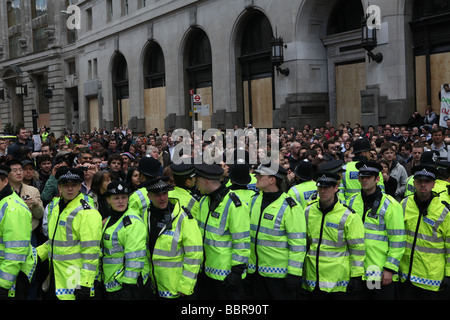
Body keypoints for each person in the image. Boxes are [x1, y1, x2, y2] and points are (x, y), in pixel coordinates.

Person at [36, 167, 103, 300]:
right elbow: (56, 240)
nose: (70, 189)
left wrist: (85, 283)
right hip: (56, 273)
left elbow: (91, 251)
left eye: (74, 185)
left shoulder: (87, 212)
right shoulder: (56, 208)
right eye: (66, 185)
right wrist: (37, 254)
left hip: (75, 276)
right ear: (59, 187)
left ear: (80, 186)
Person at [346, 161, 405, 300]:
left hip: (377, 271)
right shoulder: (351, 201)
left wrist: (390, 268)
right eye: (362, 177)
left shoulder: (390, 205)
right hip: (355, 270)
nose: (365, 180)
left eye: (369, 177)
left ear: (377, 179)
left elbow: (398, 239)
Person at [246, 163, 306, 300]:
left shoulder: (290, 206)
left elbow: (298, 244)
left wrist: (294, 274)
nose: (256, 177)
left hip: (279, 277)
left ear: (272, 180)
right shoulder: (253, 200)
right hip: (255, 273)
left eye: (260, 175)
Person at [302, 171, 365, 300]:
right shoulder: (308, 211)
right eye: (320, 187)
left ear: (336, 188)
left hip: (338, 281)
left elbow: (357, 249)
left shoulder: (349, 216)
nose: (323, 191)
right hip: (312, 279)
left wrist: (357, 276)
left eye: (327, 187)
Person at [194, 163, 250, 300]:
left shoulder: (234, 204)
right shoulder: (204, 202)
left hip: (227, 276)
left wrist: (236, 272)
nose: (196, 186)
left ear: (205, 181)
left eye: (198, 181)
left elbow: (242, 242)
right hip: (207, 272)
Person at [143, 176, 203, 299]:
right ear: (149, 196)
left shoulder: (184, 217)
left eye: (165, 193)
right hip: (155, 287)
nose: (162, 198)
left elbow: (194, 254)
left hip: (178, 290)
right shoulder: (146, 215)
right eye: (157, 195)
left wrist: (186, 285)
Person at [398, 164, 450, 300]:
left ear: (433, 184)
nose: (423, 185)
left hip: (431, 279)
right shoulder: (403, 204)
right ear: (414, 183)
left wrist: (449, 274)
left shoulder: (444, 211)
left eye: (427, 181)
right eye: (420, 181)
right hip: (405, 276)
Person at [100, 181, 149, 300]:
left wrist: (128, 286)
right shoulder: (111, 218)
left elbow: (135, 257)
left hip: (127, 285)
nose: (121, 201)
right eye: (116, 198)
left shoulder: (132, 222)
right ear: (108, 200)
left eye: (124, 197)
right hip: (112, 282)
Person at [0, 164, 37, 300]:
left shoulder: (12, 207)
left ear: (5, 181)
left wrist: (3, 284)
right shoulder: (3, 202)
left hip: (10, 279)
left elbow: (16, 250)